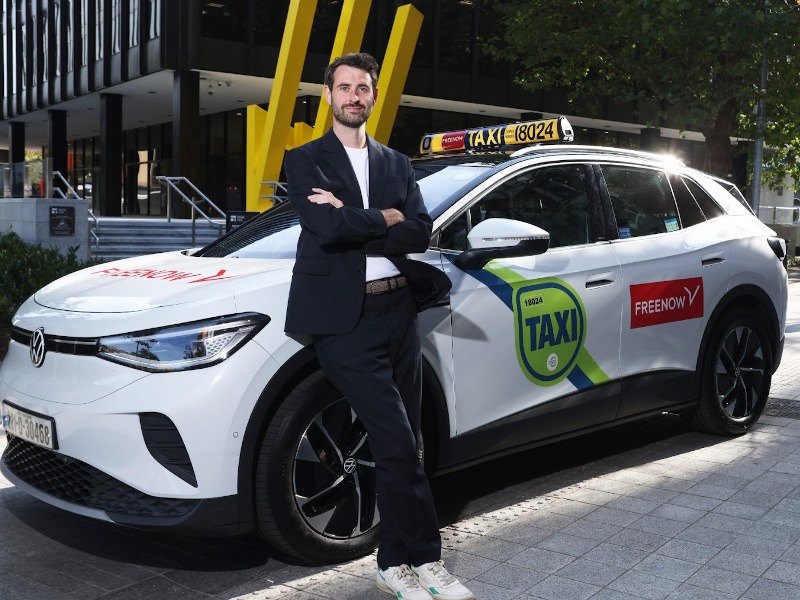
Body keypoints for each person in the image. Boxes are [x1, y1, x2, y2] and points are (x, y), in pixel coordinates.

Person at [284, 52, 474, 600]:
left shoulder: (395, 164)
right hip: (344, 322)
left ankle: (393, 563)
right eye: (343, 87)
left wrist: (362, 221)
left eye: (362, 88)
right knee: (393, 444)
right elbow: (324, 226)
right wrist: (382, 220)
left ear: (372, 95)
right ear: (328, 95)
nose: (353, 96)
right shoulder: (306, 160)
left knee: (407, 444)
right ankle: (427, 559)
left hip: (398, 314)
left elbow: (419, 231)